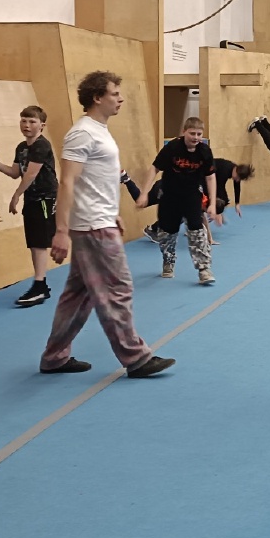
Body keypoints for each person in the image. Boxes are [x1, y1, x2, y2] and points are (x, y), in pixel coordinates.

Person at [40, 70, 174, 378]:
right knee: (117, 288)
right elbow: (68, 182)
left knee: (78, 296)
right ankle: (136, 358)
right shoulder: (82, 133)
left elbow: (95, 180)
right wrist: (61, 231)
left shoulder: (99, 130)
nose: (120, 99)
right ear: (97, 97)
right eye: (115, 93)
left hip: (99, 220)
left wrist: (112, 212)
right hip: (92, 227)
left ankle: (54, 356)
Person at [0, 106, 59, 307]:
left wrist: (16, 195)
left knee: (39, 242)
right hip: (31, 198)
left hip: (44, 198)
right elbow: (14, 173)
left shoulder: (41, 145)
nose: (26, 125)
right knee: (34, 241)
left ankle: (40, 285)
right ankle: (40, 284)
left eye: (32, 122)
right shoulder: (21, 148)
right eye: (23, 121)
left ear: (42, 125)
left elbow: (31, 174)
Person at [135, 117, 216, 285]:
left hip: (192, 195)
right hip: (169, 195)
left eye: (199, 134)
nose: (195, 137)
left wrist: (213, 204)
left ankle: (204, 269)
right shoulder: (173, 148)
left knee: (196, 229)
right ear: (184, 132)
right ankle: (168, 260)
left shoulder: (204, 151)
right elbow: (154, 168)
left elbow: (210, 177)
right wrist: (144, 193)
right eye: (192, 133)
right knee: (166, 233)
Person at [209, 157, 254, 228]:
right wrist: (218, 212)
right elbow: (218, 188)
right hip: (205, 175)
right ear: (236, 171)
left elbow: (237, 187)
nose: (237, 180)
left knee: (225, 200)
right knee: (216, 199)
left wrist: (237, 203)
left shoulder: (236, 170)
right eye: (237, 177)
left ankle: (216, 212)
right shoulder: (224, 170)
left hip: (215, 178)